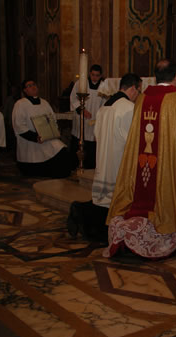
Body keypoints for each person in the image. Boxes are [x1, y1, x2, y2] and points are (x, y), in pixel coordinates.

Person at [103, 60, 176, 259]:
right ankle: (164, 219)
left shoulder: (142, 99)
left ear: (156, 78)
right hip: (164, 165)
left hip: (143, 159)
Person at [67, 73, 142, 242]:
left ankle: (82, 212)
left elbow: (95, 135)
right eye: (138, 91)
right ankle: (81, 210)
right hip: (117, 161)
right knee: (111, 202)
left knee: (103, 200)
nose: (138, 95)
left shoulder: (104, 108)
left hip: (102, 158)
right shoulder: (128, 108)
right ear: (132, 89)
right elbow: (133, 139)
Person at [12, 79, 71, 178]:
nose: (33, 87)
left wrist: (52, 132)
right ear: (25, 91)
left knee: (62, 151)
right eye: (29, 86)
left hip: (47, 138)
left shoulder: (44, 103)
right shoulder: (20, 104)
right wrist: (35, 137)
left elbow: (52, 119)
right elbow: (19, 126)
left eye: (34, 84)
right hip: (30, 142)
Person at [69, 64, 106, 169]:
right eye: (93, 75)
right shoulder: (81, 83)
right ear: (89, 74)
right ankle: (75, 165)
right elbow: (73, 98)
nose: (94, 78)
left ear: (101, 75)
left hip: (95, 119)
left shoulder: (104, 86)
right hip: (81, 118)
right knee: (79, 140)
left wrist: (99, 115)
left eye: (97, 75)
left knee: (92, 145)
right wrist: (82, 110)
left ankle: (90, 166)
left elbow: (105, 103)